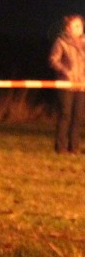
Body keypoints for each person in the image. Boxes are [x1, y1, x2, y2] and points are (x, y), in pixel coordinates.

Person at [48, 14, 85, 154]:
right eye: (75, 26)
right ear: (68, 28)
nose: (79, 28)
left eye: (80, 25)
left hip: (81, 84)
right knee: (65, 114)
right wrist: (66, 71)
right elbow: (53, 60)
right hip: (66, 83)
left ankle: (74, 146)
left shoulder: (84, 42)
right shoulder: (61, 42)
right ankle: (60, 146)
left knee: (78, 116)